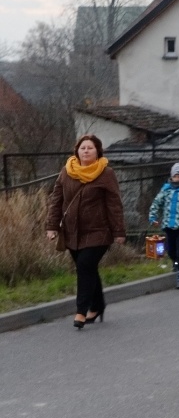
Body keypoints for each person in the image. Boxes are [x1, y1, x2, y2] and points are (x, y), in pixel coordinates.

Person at [46, 135, 126, 329]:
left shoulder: (106, 173)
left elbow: (114, 204)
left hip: (99, 231)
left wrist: (119, 231)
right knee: (87, 268)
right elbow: (56, 200)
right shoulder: (67, 171)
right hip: (73, 232)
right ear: (77, 151)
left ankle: (81, 311)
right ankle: (98, 306)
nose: (86, 151)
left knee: (85, 264)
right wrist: (52, 226)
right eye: (83, 148)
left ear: (97, 151)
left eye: (90, 148)